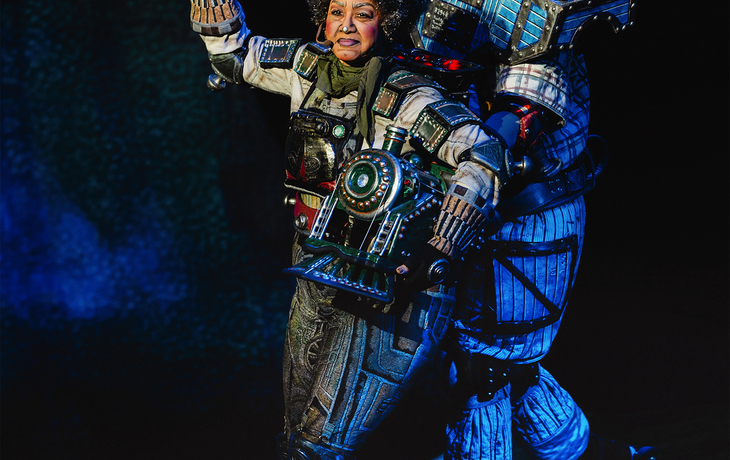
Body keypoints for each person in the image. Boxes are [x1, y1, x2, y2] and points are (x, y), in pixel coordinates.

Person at [189, 0, 660, 459]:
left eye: (360, 15)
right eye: (338, 14)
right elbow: (254, 59)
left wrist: (460, 160)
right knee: (481, 369)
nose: (347, 23)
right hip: (411, 216)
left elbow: (516, 119)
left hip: (520, 214)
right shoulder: (342, 51)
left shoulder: (521, 16)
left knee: (484, 370)